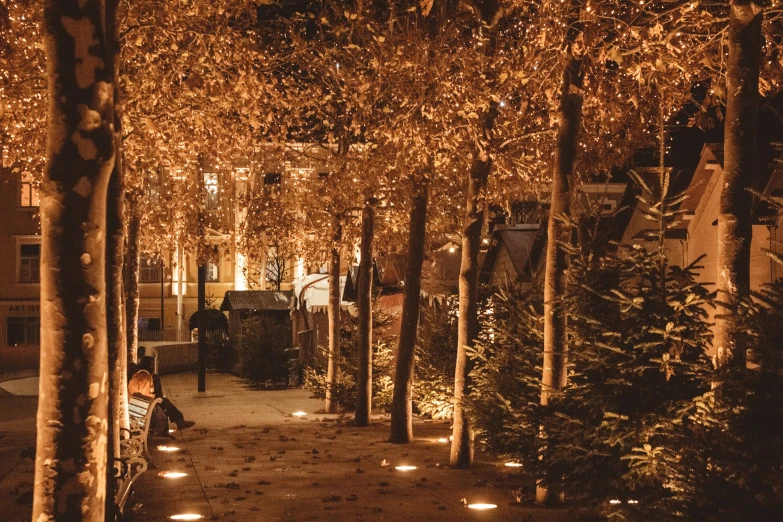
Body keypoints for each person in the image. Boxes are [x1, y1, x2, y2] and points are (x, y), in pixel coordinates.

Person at [129, 346, 195, 432]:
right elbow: (157, 396)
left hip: (134, 403)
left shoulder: (135, 374)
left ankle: (179, 422)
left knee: (164, 402)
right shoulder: (147, 377)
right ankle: (177, 423)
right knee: (164, 403)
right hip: (141, 405)